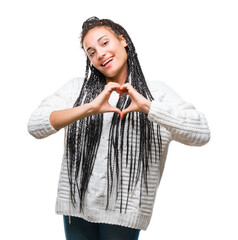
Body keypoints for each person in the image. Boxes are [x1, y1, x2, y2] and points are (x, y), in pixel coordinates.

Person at [27, 17, 210, 240]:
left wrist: (147, 107)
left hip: (124, 215)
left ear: (122, 40)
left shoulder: (156, 93)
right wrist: (89, 108)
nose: (99, 54)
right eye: (91, 52)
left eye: (104, 43)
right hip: (75, 211)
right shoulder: (77, 89)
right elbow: (36, 125)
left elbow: (201, 133)